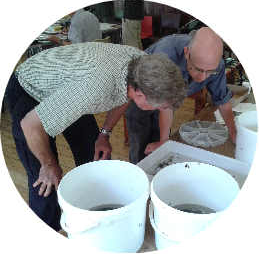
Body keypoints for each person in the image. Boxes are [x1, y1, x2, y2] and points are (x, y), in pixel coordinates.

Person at [6, 42, 187, 231]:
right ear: (141, 95)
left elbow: (125, 97)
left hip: (72, 83)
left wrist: (104, 134)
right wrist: (49, 165)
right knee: (45, 183)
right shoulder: (93, 89)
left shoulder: (140, 67)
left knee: (95, 157)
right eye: (158, 107)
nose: (159, 111)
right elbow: (30, 125)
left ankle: (96, 218)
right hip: (30, 89)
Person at [125, 27, 237, 164]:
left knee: (159, 143)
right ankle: (138, 174)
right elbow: (166, 106)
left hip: (166, 104)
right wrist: (163, 142)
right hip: (141, 97)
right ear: (186, 53)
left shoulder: (215, 64)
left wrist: (233, 133)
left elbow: (222, 100)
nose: (203, 78)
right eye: (198, 69)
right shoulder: (165, 55)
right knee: (140, 141)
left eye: (209, 72)